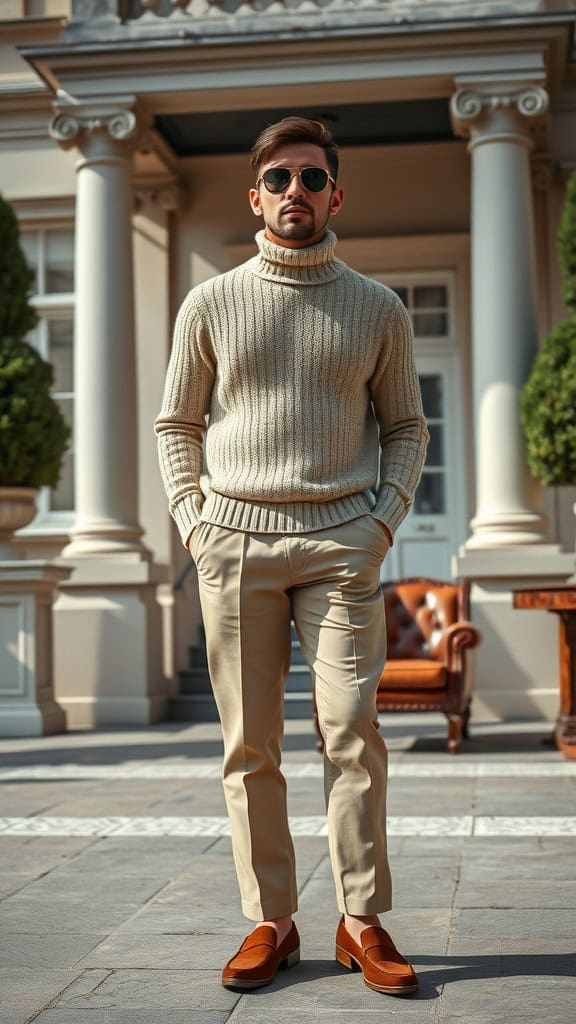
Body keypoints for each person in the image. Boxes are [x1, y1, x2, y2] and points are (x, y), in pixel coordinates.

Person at [155, 116, 429, 996]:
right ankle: (272, 920)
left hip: (340, 546)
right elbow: (177, 426)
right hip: (233, 542)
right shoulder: (211, 302)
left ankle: (361, 921)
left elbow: (407, 428)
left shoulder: (378, 307)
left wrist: (381, 518)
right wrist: (196, 522)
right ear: (256, 197)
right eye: (280, 180)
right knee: (250, 745)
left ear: (335, 195)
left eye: (312, 179)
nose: (296, 194)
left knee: (352, 730)